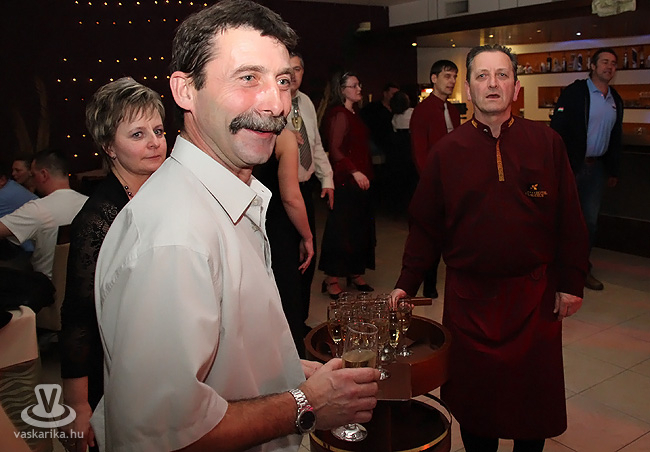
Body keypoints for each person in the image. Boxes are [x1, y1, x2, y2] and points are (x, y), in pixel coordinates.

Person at [91, 2, 379, 451]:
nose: (276, 103)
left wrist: (290, 373)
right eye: (248, 78)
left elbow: (229, 362)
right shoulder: (174, 241)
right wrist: (307, 404)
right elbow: (160, 438)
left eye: (283, 81)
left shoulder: (230, 199)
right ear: (186, 91)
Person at [391, 44, 589, 452]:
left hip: (534, 298)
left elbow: (569, 217)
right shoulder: (447, 152)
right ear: (468, 88)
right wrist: (406, 282)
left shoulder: (546, 142)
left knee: (530, 411)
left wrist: (571, 282)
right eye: (482, 76)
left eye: (502, 75)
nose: (492, 83)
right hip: (470, 301)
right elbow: (425, 227)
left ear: (515, 87)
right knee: (477, 408)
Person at [58, 77, 167, 452]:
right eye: (138, 134)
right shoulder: (98, 218)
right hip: (115, 369)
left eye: (158, 130)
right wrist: (77, 404)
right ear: (109, 146)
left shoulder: (161, 194)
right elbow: (78, 316)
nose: (154, 142)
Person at [550, 47, 623, 291]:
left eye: (613, 63)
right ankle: (557, 269)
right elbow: (557, 128)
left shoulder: (615, 99)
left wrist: (613, 170)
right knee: (564, 219)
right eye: (605, 62)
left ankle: (581, 269)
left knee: (589, 223)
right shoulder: (575, 92)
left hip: (597, 169)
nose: (609, 67)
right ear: (592, 66)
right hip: (572, 166)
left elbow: (615, 136)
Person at [254, 128, 314, 358]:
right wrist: (307, 236)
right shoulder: (283, 137)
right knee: (286, 298)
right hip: (277, 227)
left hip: (245, 221)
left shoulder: (233, 129)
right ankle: (293, 367)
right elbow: (291, 197)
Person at [286, 52, 334, 334]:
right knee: (287, 260)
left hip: (305, 189)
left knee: (308, 257)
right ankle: (288, 324)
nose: (292, 75)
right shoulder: (272, 103)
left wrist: (327, 178)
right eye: (287, 70)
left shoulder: (305, 102)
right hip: (280, 192)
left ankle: (300, 320)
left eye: (297, 69)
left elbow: (315, 145)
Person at [318, 70, 376, 298]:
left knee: (360, 228)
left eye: (359, 84)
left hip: (361, 179)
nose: (359, 89)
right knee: (342, 229)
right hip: (346, 181)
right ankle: (331, 278)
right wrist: (355, 171)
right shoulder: (339, 114)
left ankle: (354, 272)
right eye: (354, 86)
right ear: (342, 90)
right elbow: (335, 150)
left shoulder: (354, 113)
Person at [409, 59, 461, 299]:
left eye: (454, 77)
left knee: (448, 234)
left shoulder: (452, 110)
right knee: (427, 235)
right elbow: (419, 152)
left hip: (452, 181)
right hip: (430, 182)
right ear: (434, 78)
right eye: (447, 76)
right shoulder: (423, 110)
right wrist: (430, 183)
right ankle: (426, 283)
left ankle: (444, 280)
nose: (452, 81)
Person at [0, 149, 87, 280]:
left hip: (47, 286)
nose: (32, 180)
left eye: (33, 175)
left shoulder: (38, 209)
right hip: (82, 284)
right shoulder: (89, 203)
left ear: (44, 175)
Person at [0, 158, 37, 258]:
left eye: (18, 170)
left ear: (2, 180)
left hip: (27, 251)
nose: (14, 173)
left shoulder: (4, 195)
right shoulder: (13, 186)